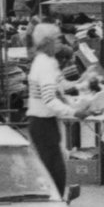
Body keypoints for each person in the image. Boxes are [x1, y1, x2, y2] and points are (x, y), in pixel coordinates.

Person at [24, 22, 81, 191]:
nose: (60, 43)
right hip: (42, 123)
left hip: (45, 122)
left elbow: (62, 87)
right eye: (57, 39)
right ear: (46, 41)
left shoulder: (49, 62)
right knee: (54, 170)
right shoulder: (44, 65)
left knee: (55, 166)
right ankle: (56, 204)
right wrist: (75, 112)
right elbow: (49, 99)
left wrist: (84, 83)